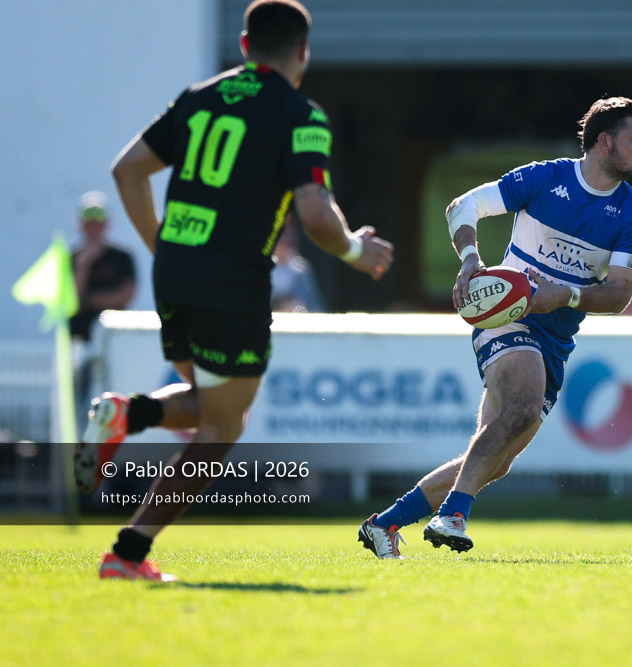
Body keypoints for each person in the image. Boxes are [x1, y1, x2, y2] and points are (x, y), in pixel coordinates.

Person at [74, 0, 394, 582]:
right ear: (303, 52)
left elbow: (127, 171)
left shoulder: (199, 97)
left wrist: (163, 246)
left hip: (174, 272)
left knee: (211, 402)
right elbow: (316, 214)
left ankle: (126, 415)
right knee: (223, 427)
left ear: (244, 46)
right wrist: (355, 249)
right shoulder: (301, 114)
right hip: (232, 280)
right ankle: (127, 551)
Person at [359, 96, 632, 559]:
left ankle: (385, 524)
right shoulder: (545, 178)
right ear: (603, 142)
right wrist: (471, 260)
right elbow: (463, 207)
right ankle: (453, 515)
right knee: (521, 407)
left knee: (494, 461)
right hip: (504, 316)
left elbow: (619, 293)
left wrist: (567, 295)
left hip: (557, 339)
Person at [69, 191, 137, 431]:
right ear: (81, 225)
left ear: (108, 223)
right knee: (81, 406)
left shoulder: (122, 257)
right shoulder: (71, 258)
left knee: (115, 400)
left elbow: (126, 294)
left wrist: (91, 299)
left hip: (114, 345)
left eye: (98, 223)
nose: (94, 228)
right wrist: (84, 267)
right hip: (81, 343)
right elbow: (73, 302)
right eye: (89, 223)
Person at [271, 217, 326, 312]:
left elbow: (315, 305)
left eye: (289, 239)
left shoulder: (302, 269)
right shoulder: (262, 268)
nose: (287, 242)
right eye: (283, 239)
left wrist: (299, 308)